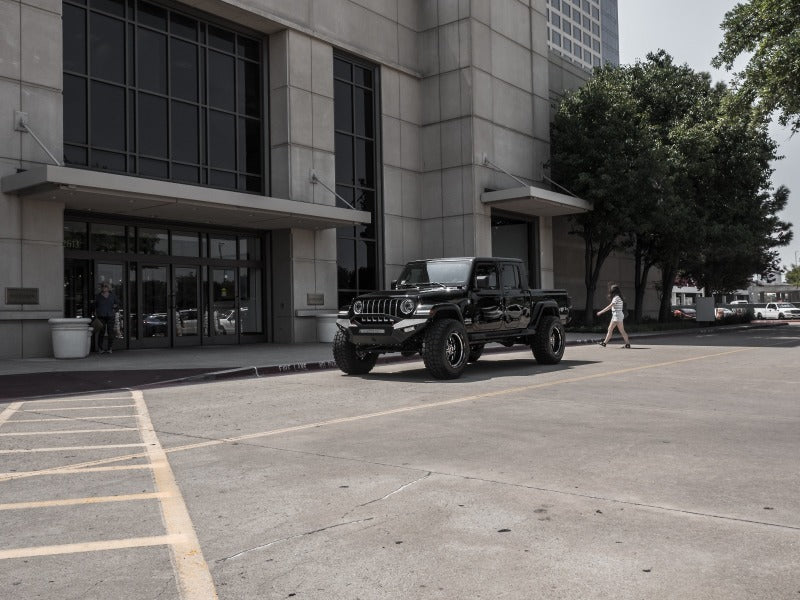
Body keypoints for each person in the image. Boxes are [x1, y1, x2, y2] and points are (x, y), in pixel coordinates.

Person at [596, 284, 631, 348]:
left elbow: (610, 306)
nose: (610, 292)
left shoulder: (616, 298)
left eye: (611, 290)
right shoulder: (618, 297)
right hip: (616, 315)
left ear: (613, 291)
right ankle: (605, 343)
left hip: (617, 316)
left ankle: (627, 344)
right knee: (612, 329)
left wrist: (601, 312)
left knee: (619, 330)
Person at [93, 282, 120, 354]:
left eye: (105, 286)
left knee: (110, 332)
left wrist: (115, 308)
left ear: (108, 288)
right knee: (101, 332)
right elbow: (94, 306)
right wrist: (95, 313)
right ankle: (100, 348)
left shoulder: (112, 296)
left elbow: (117, 304)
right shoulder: (98, 296)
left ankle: (109, 348)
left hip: (111, 316)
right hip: (101, 316)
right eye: (102, 286)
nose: (104, 288)